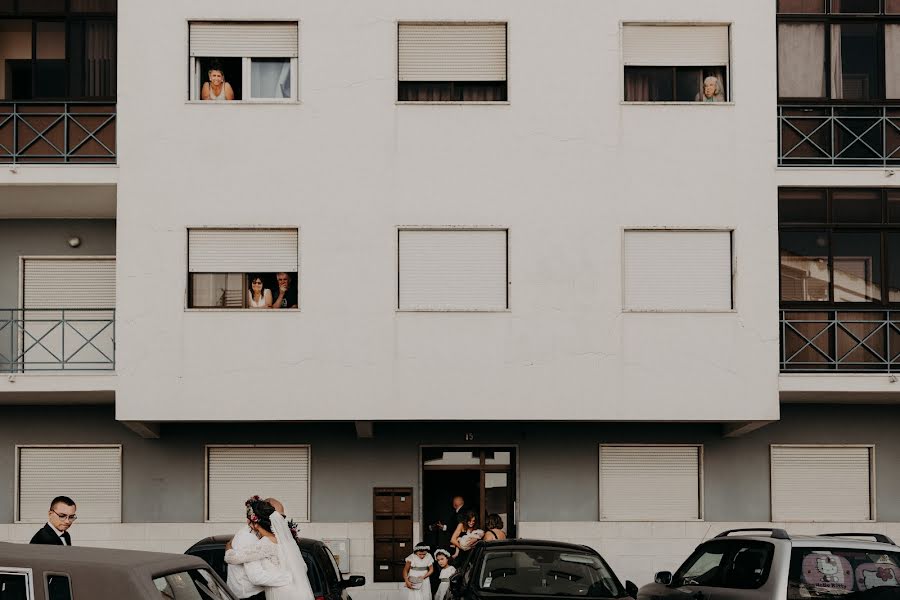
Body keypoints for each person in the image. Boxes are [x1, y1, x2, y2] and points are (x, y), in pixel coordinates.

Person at [226, 496, 315, 600]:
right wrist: (292, 577)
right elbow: (303, 567)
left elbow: (233, 559)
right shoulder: (282, 540)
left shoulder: (265, 542)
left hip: (279, 592)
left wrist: (228, 548)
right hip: (256, 595)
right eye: (280, 517)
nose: (281, 521)